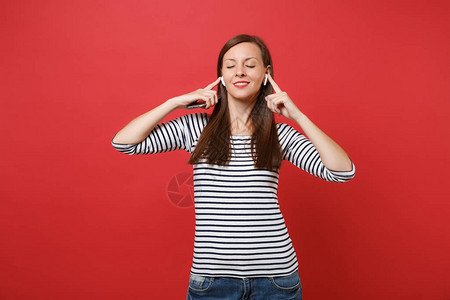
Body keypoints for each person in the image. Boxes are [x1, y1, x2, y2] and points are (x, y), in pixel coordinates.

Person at [112, 34, 355, 300]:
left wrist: (298, 116)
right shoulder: (195, 129)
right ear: (221, 75)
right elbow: (124, 143)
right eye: (230, 66)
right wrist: (174, 103)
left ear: (266, 73)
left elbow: (342, 171)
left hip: (276, 280)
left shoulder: (279, 135)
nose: (239, 71)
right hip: (212, 280)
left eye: (250, 65)